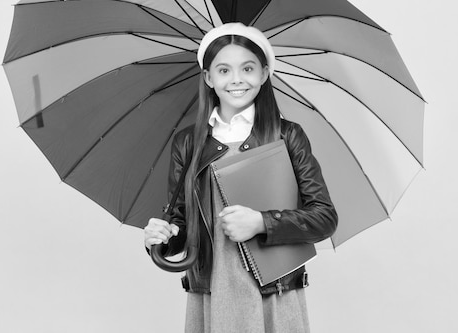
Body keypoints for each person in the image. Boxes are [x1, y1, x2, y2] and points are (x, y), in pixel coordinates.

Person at [144, 23, 338, 333]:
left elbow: (324, 218)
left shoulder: (286, 136)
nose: (236, 80)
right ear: (208, 78)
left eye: (247, 68)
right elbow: (183, 225)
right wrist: (162, 239)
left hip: (275, 294)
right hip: (213, 292)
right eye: (223, 70)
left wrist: (262, 222)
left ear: (264, 73)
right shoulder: (189, 143)